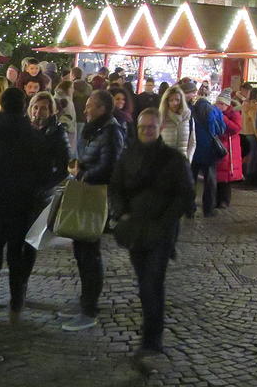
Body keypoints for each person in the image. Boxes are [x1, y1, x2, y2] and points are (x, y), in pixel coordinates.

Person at [110, 108, 194, 372]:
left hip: (160, 232)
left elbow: (184, 195)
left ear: (159, 128)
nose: (146, 131)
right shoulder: (128, 156)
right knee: (144, 282)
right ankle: (151, 336)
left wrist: (164, 222)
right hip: (135, 230)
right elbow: (116, 187)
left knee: (152, 283)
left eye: (151, 127)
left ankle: (152, 341)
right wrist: (121, 213)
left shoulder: (174, 159)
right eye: (142, 127)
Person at [0, 87, 49, 337]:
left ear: (2, 105)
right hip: (20, 205)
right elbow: (42, 172)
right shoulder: (33, 136)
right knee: (16, 257)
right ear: (24, 106)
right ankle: (15, 308)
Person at [62, 90, 125, 332]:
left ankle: (89, 309)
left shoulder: (111, 131)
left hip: (97, 197)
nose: (85, 109)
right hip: (88, 191)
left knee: (89, 252)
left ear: (101, 109)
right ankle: (84, 303)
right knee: (82, 250)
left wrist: (83, 174)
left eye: (90, 106)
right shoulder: (97, 129)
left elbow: (110, 165)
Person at [189, 84, 226, 216]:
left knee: (191, 179)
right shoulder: (214, 110)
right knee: (209, 181)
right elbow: (220, 129)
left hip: (193, 149)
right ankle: (208, 209)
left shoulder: (191, 109)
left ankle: (189, 209)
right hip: (209, 150)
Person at [214, 89, 244, 210]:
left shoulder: (234, 114)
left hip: (229, 149)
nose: (219, 106)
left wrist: (223, 119)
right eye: (218, 103)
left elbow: (236, 128)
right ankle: (216, 200)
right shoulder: (214, 113)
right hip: (218, 147)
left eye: (222, 104)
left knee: (225, 178)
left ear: (227, 105)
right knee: (217, 176)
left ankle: (224, 201)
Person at [159, 85, 196, 160]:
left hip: (182, 161)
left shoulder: (188, 117)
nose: (174, 103)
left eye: (177, 100)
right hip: (165, 161)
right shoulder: (161, 117)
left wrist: (188, 159)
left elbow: (192, 142)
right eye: (171, 100)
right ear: (167, 101)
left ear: (181, 101)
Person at [241, 85, 257, 180]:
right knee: (254, 155)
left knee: (248, 154)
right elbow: (254, 121)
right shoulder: (254, 105)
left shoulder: (245, 103)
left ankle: (245, 174)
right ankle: (250, 176)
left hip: (244, 131)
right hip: (252, 133)